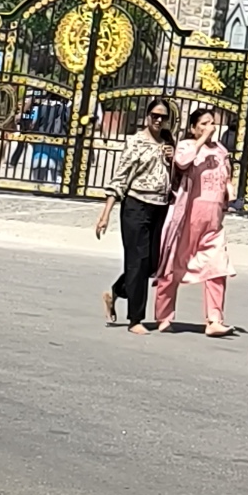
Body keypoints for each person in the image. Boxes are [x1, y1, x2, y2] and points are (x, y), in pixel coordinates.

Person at [96, 99, 176, 334]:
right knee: (137, 261)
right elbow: (120, 178)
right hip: (136, 205)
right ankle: (135, 319)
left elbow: (176, 178)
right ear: (147, 116)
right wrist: (105, 213)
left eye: (163, 117)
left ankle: (116, 291)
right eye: (154, 115)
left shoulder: (168, 142)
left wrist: (173, 160)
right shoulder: (136, 142)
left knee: (152, 263)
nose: (158, 120)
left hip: (159, 207)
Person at [154, 108, 235, 337]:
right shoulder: (187, 146)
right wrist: (200, 141)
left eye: (212, 123)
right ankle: (164, 316)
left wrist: (230, 190)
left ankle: (215, 320)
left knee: (217, 269)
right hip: (187, 220)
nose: (210, 127)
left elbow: (227, 176)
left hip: (213, 221)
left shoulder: (220, 150)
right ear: (193, 128)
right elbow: (181, 162)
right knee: (173, 267)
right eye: (204, 124)